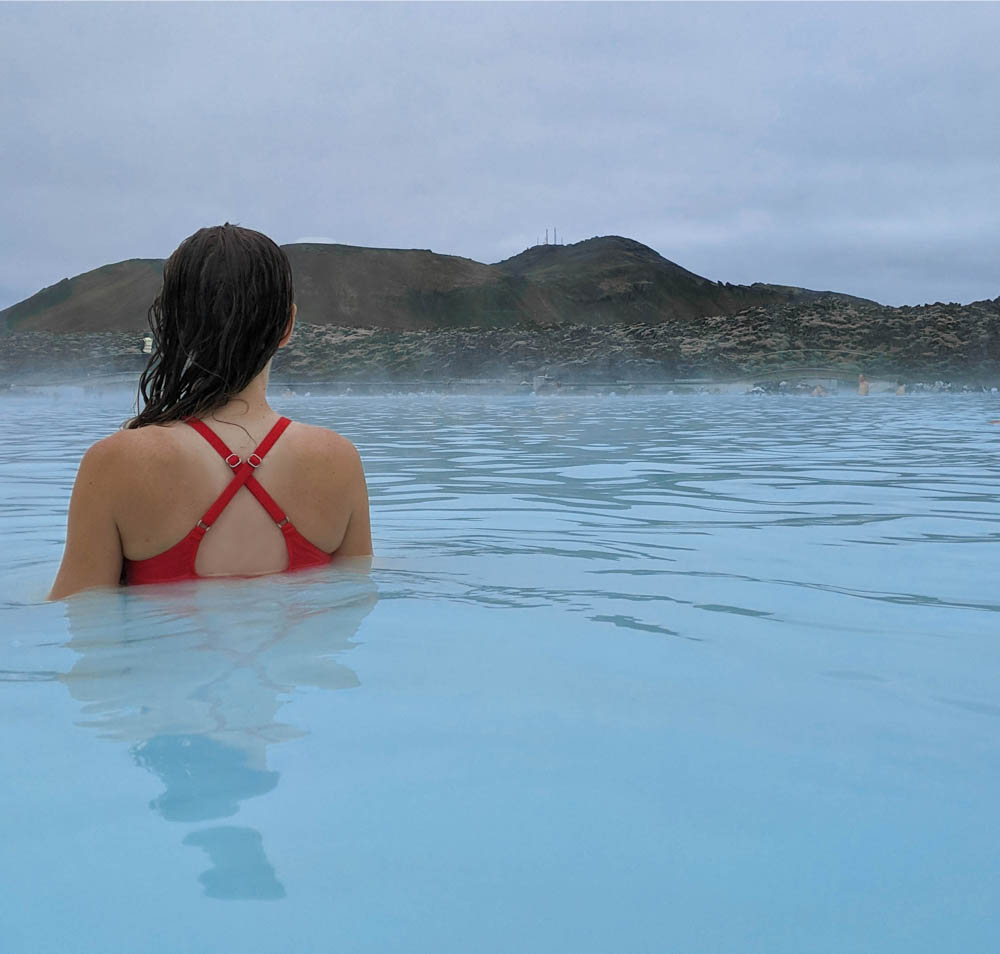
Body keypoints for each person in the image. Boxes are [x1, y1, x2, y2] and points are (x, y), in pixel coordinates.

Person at [49, 224, 371, 599]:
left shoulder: (115, 464)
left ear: (173, 326)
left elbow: (80, 622)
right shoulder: (338, 460)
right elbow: (355, 603)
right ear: (287, 326)